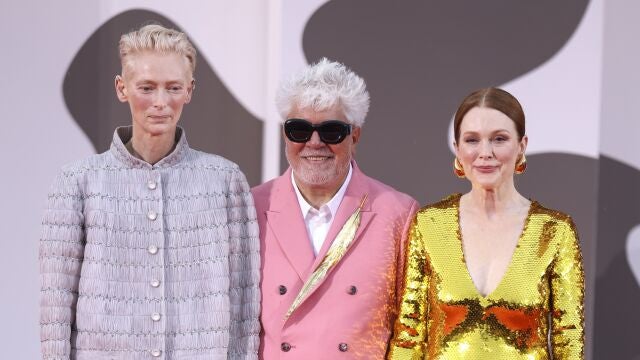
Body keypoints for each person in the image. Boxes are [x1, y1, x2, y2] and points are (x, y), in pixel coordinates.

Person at [39, 24, 260, 359]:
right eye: (147, 87)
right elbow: (56, 302)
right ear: (121, 88)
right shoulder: (77, 183)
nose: (160, 102)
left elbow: (245, 301)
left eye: (173, 88)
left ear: (189, 90)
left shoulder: (225, 181)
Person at [388, 87, 584, 359]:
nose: (485, 152)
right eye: (472, 140)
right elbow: (409, 336)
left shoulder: (554, 232)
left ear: (521, 146)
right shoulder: (430, 225)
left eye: (499, 139)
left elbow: (569, 343)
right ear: (457, 149)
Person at [252, 58, 419, 359]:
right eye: (299, 130)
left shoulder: (398, 214)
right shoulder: (251, 209)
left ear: (355, 136)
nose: (314, 143)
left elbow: (411, 330)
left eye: (331, 131)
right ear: (285, 135)